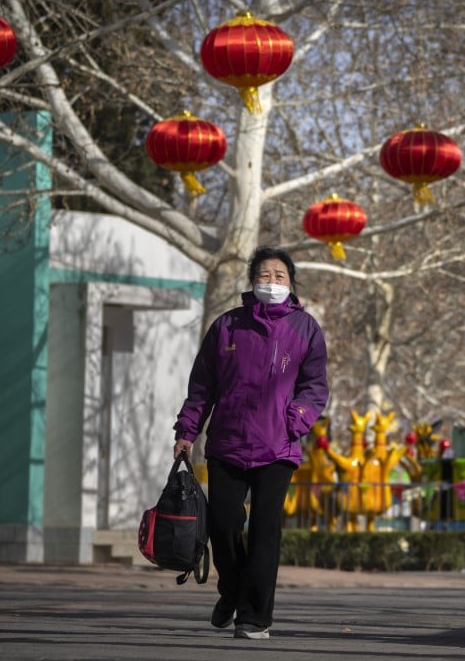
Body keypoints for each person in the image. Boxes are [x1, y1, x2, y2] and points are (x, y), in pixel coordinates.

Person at [173, 245, 329, 640]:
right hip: (228, 442)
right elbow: (202, 386)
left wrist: (296, 420)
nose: (272, 282)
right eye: (264, 275)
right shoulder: (226, 326)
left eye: (280, 276)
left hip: (278, 446)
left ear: (291, 284)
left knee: (264, 532)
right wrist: (187, 432)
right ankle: (231, 591)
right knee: (223, 525)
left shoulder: (305, 328)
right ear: (251, 281)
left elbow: (315, 387)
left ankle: (254, 617)